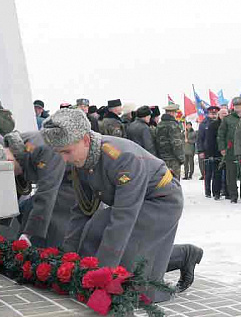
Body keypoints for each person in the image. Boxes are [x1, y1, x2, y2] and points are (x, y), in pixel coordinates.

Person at [41, 109, 184, 300]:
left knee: (136, 286)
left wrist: (102, 273)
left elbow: (122, 219)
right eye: (59, 153)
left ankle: (184, 255)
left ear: (85, 140)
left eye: (66, 152)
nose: (64, 159)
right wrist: (68, 258)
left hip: (162, 201)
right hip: (135, 204)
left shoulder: (122, 158)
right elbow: (82, 210)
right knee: (98, 232)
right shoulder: (82, 160)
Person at [0, 130, 74, 248]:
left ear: (8, 162)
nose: (12, 176)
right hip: (58, 180)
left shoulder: (46, 151)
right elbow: (13, 190)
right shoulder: (16, 148)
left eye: (9, 173)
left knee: (35, 212)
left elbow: (47, 193)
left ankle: (43, 254)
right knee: (25, 210)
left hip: (74, 184)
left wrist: (28, 234)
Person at [218, 97, 241, 203]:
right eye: (236, 105)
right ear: (233, 107)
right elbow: (221, 135)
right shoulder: (227, 119)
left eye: (240, 105)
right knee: (231, 175)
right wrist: (222, 148)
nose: (238, 107)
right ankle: (233, 196)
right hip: (231, 150)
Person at [156, 104, 184, 179]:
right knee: (174, 182)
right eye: (175, 113)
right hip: (172, 159)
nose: (176, 115)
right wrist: (181, 158)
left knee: (164, 182)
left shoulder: (159, 125)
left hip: (161, 158)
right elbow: (176, 143)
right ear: (172, 113)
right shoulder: (173, 125)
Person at [202, 106, 222, 199]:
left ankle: (217, 191)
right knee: (208, 173)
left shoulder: (220, 123)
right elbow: (200, 138)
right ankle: (207, 190)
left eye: (215, 113)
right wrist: (200, 150)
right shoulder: (204, 123)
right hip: (206, 151)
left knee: (216, 172)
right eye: (211, 113)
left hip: (216, 151)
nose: (213, 115)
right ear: (208, 113)